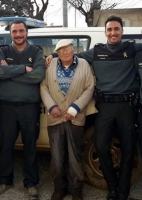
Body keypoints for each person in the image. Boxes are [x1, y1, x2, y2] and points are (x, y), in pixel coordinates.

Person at [45, 15, 142, 200]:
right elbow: (72, 56)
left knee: (128, 150)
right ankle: (112, 188)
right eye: (109, 29)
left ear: (122, 31)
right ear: (105, 32)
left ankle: (122, 192)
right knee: (100, 146)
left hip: (127, 107)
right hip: (104, 107)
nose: (113, 32)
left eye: (116, 29)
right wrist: (52, 55)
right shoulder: (96, 52)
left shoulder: (132, 48)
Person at [0, 20, 45, 199]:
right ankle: (5, 180)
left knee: (30, 145)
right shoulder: (3, 51)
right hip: (6, 107)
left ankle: (31, 182)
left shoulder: (36, 51)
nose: (18, 35)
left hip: (29, 108)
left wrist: (10, 74)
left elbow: (38, 75)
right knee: (5, 145)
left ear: (26, 32)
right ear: (10, 33)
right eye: (14, 32)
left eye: (21, 31)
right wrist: (23, 69)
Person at [40, 39, 94, 200]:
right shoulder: (50, 64)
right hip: (55, 118)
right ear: (57, 52)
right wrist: (51, 106)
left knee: (74, 155)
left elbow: (90, 87)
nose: (65, 52)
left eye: (68, 49)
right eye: (61, 50)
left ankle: (76, 188)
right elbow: (43, 86)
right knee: (57, 157)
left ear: (73, 49)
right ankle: (59, 187)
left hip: (75, 118)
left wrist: (75, 108)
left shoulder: (84, 64)